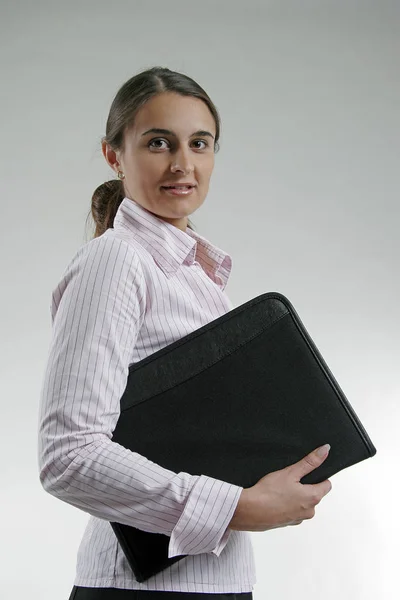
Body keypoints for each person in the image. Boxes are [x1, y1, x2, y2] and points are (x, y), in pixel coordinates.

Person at [37, 66, 332, 600]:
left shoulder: (196, 277)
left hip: (217, 581)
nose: (183, 164)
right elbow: (68, 455)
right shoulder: (116, 261)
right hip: (139, 589)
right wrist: (238, 507)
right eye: (157, 143)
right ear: (113, 155)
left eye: (200, 143)